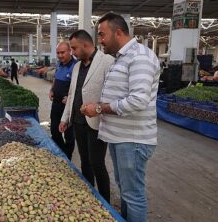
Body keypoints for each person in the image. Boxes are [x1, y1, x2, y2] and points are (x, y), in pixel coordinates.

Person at [83, 12, 160, 222]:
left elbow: (138, 100)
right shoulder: (120, 59)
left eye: (102, 35)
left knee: (133, 195)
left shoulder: (140, 57)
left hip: (133, 140)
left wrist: (99, 109)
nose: (100, 41)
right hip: (120, 138)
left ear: (118, 32)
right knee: (126, 191)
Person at [59, 30, 114, 202]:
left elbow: (113, 93)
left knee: (97, 163)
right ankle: (90, 196)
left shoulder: (107, 62)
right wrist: (64, 118)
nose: (72, 52)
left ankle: (105, 202)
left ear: (85, 44)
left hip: (96, 121)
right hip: (78, 122)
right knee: (85, 161)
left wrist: (98, 108)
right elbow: (72, 93)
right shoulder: (76, 67)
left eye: (74, 48)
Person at [49, 42, 77, 160]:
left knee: (69, 134)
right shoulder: (59, 64)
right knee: (54, 130)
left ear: (70, 51)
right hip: (56, 103)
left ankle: (67, 157)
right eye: (58, 53)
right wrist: (51, 89)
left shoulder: (76, 66)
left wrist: (71, 99)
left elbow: (79, 86)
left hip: (68, 106)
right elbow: (56, 78)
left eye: (62, 52)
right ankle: (63, 152)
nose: (60, 55)